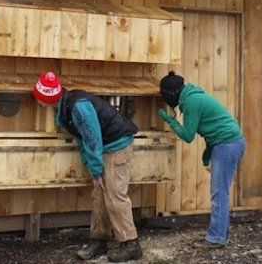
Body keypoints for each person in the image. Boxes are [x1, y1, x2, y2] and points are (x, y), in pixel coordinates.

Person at [33, 71, 143, 262]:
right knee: (99, 196)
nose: (37, 102)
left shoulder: (78, 106)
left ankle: (131, 243)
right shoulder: (65, 107)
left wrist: (96, 169)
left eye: (39, 98)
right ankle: (99, 240)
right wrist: (93, 168)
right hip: (105, 146)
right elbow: (83, 139)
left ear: (46, 98)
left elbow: (92, 139)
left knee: (115, 194)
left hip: (117, 145)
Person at [158, 70, 246, 250]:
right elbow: (211, 129)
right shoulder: (192, 97)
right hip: (229, 142)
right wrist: (208, 157)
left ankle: (216, 238)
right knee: (220, 192)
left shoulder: (191, 102)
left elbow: (188, 135)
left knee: (219, 193)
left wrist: (169, 120)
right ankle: (221, 234)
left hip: (227, 144)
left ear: (172, 93)